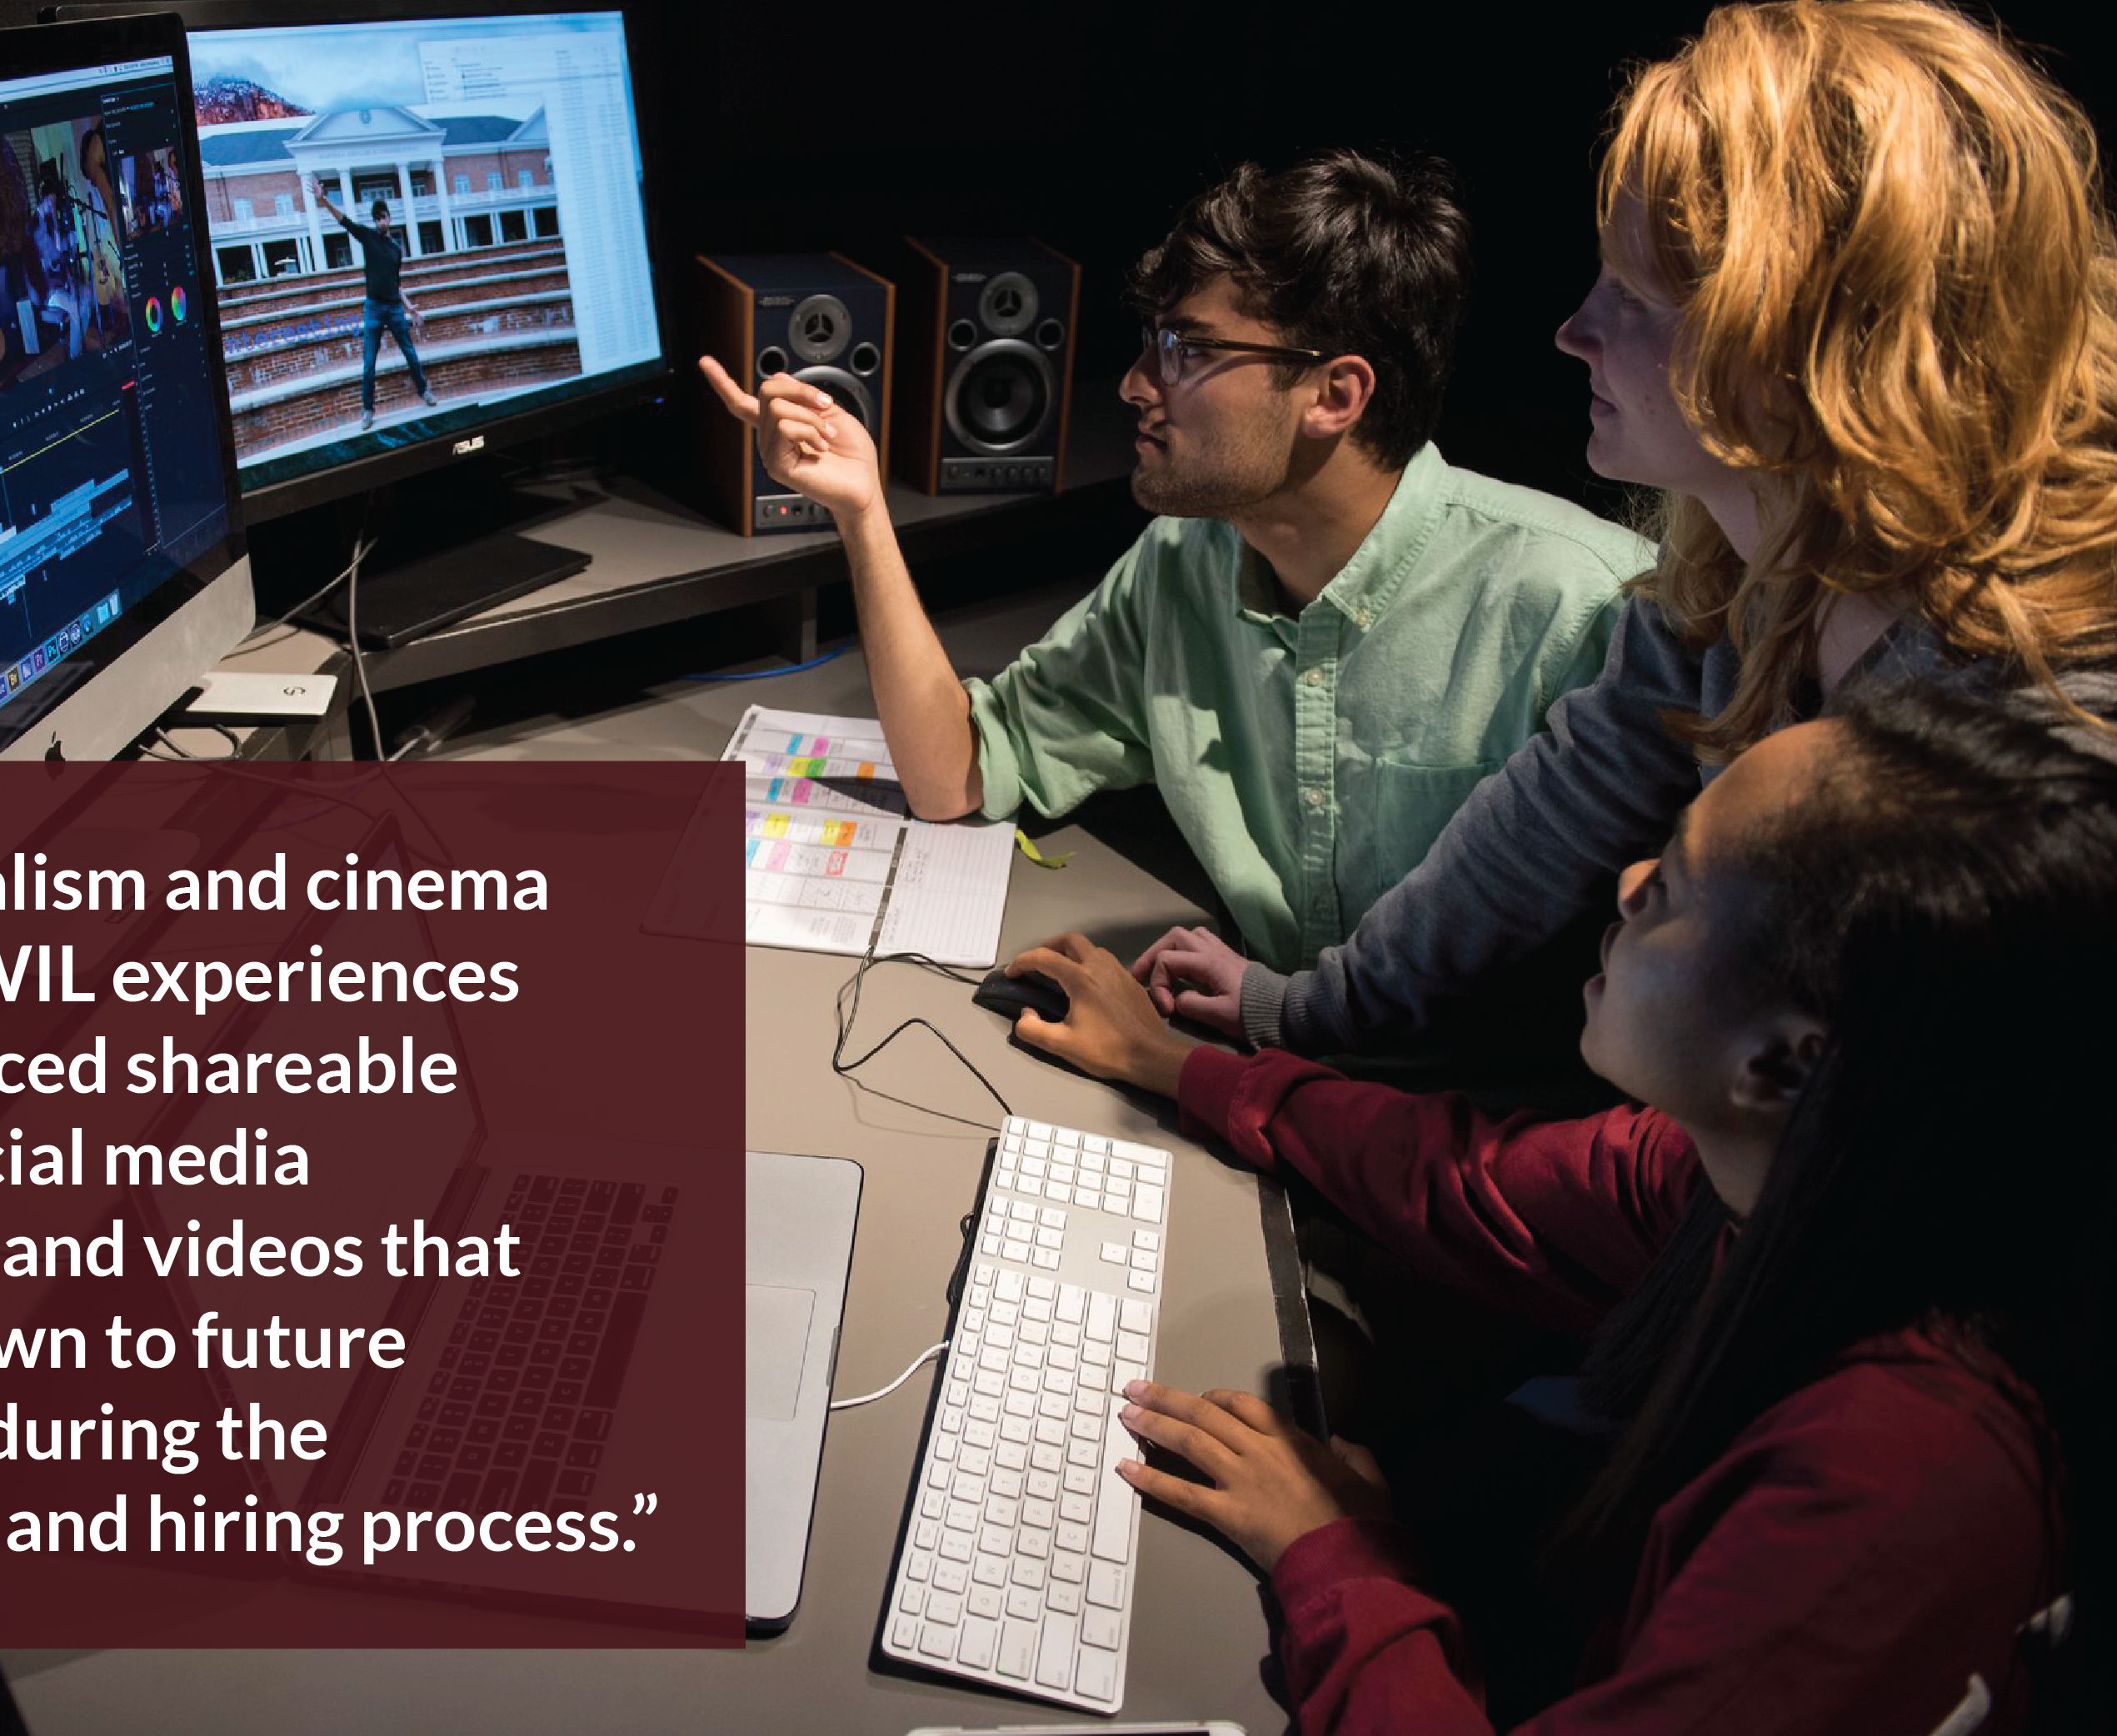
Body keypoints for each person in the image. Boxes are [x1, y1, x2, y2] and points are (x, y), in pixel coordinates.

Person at [1002, 678, 2101, 1734]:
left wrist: (1337, 1558)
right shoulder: (1801, 1179)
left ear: (1784, 1065)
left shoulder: (1888, 1495)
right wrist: (1176, 1067)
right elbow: (1456, 1176)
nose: (1623, 884)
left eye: (1669, 884)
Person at [1127, 0, 2117, 1053]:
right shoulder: (1734, 582)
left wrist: (1244, 1089)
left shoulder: (2041, 748)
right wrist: (1300, 1009)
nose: (1572, 332)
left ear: (1807, 337)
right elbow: (1539, 828)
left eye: (1634, 296)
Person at [702, 150, 1650, 972]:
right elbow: (953, 772)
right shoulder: (1185, 559)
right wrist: (862, 512)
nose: (1133, 385)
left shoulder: (1590, 610)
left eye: (1184, 349)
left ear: (1334, 392)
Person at [315, 183, 437, 425]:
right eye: (377, 219)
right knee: (369, 363)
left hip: (394, 309)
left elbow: (396, 282)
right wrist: (324, 201)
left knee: (410, 354)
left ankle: (423, 390)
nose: (381, 222)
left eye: (384, 217)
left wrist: (409, 306)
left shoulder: (396, 250)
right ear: (374, 221)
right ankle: (368, 410)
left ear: (390, 218)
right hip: (373, 308)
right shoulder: (368, 238)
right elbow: (345, 221)